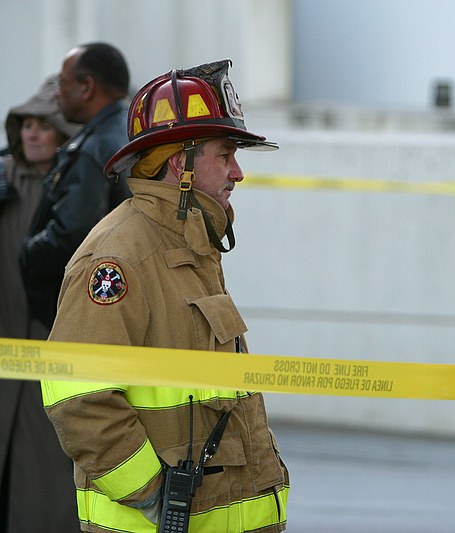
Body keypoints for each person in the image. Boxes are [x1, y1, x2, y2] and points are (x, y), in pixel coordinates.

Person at [40, 59, 289, 532]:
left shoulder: (192, 245)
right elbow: (77, 394)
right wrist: (152, 496)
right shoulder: (119, 259)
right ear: (182, 163)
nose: (238, 172)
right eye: (224, 154)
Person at [0, 76, 83, 533]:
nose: (32, 133)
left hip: (50, 348)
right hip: (7, 338)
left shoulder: (77, 189)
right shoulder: (3, 178)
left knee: (43, 474)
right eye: (26, 124)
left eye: (43, 125)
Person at [20, 42, 131, 340]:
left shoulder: (95, 149)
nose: (58, 93)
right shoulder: (129, 132)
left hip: (86, 310)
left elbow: (72, 234)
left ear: (86, 87)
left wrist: (27, 253)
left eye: (63, 83)